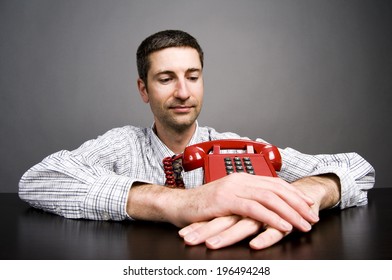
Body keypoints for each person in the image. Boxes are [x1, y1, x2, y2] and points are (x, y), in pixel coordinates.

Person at [19, 30, 375, 250]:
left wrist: (307, 192)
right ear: (143, 89)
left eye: (193, 76)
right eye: (166, 79)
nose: (183, 92)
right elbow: (38, 180)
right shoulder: (121, 145)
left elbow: (358, 170)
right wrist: (177, 203)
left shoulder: (236, 146)